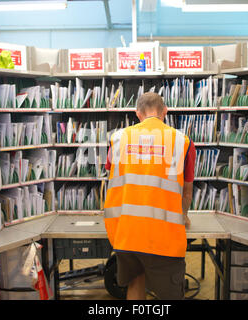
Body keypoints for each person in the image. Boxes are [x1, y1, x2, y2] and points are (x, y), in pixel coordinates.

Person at [104, 92, 196, 300]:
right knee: (169, 295)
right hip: (164, 237)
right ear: (165, 111)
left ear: (138, 114)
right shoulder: (183, 142)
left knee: (135, 283)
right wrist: (183, 215)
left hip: (126, 233)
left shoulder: (117, 139)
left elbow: (113, 176)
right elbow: (187, 191)